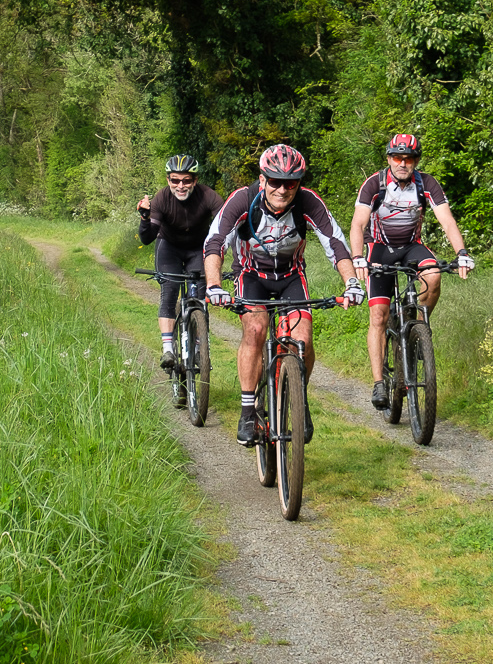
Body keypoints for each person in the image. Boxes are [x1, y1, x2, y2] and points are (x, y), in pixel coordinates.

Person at [202, 143, 363, 445]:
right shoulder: (243, 200)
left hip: (291, 277)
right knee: (256, 329)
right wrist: (214, 285)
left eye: (291, 183)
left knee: (303, 338)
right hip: (251, 275)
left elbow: (335, 243)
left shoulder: (308, 202)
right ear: (262, 179)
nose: (282, 189)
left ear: (298, 183)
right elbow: (215, 242)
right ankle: (248, 411)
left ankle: (298, 397)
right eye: (275, 181)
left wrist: (352, 282)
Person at [349, 134, 472, 410]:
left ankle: (418, 330)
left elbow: (447, 220)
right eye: (397, 157)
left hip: (411, 246)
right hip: (379, 248)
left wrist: (462, 253)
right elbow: (358, 224)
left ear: (416, 161)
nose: (402, 163)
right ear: (389, 158)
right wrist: (358, 258)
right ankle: (379, 383)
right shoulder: (374, 184)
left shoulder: (426, 183)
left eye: (409, 158)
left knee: (434, 275)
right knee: (379, 316)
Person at [136, 154, 221, 373]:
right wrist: (145, 218)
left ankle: (200, 348)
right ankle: (168, 350)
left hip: (198, 249)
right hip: (169, 248)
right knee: (170, 290)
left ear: (195, 180)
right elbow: (147, 238)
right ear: (168, 180)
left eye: (186, 180)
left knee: (200, 296)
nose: (180, 185)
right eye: (175, 180)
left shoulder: (208, 196)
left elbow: (225, 224)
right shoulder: (162, 198)